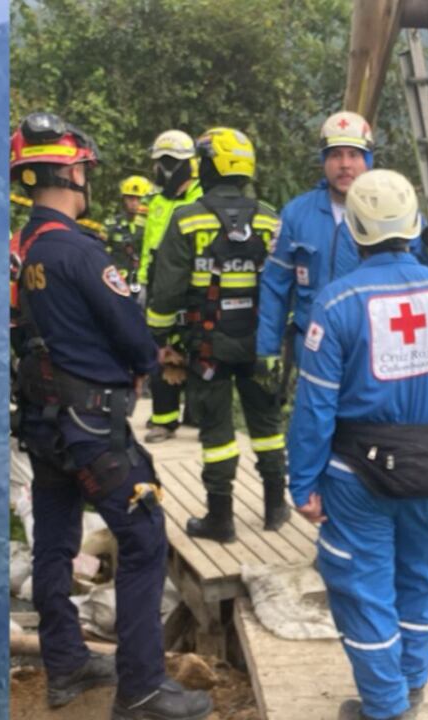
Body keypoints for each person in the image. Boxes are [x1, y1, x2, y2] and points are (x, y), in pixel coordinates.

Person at [10, 112, 211, 720]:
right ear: (72, 170)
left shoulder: (23, 251)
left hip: (43, 426)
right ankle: (143, 687)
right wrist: (152, 356)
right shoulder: (78, 250)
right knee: (145, 535)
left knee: (53, 541)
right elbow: (130, 334)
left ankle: (67, 663)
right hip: (92, 429)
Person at [288, 169, 428, 720]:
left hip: (358, 475)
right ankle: (414, 683)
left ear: (353, 232)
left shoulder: (336, 302)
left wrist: (302, 482)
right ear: (416, 224)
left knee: (363, 589)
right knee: (422, 577)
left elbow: (314, 408)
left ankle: (386, 707)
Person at [147, 127, 289, 541]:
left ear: (208, 165)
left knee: (217, 433)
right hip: (261, 344)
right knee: (267, 423)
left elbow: (166, 292)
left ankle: (221, 518)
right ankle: (276, 508)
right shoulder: (269, 217)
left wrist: (160, 339)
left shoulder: (187, 218)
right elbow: (285, 284)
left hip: (206, 345)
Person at [257, 110, 428, 399]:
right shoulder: (296, 215)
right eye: (335, 155)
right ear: (323, 160)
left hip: (382, 355)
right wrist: (267, 350)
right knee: (317, 423)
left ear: (367, 160)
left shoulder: (398, 209)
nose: (345, 165)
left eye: (354, 155)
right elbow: (275, 285)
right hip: (314, 348)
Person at [140, 130, 204, 443]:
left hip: (192, 284)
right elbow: (148, 247)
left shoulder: (200, 198)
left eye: (160, 164)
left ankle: (197, 414)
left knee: (199, 349)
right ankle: (164, 420)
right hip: (159, 284)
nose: (157, 171)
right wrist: (141, 282)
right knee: (161, 348)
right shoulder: (157, 203)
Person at [106, 175, 152, 295]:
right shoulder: (112, 224)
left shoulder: (152, 226)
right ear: (123, 199)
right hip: (117, 285)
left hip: (144, 285)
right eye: (130, 198)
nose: (134, 203)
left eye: (139, 199)